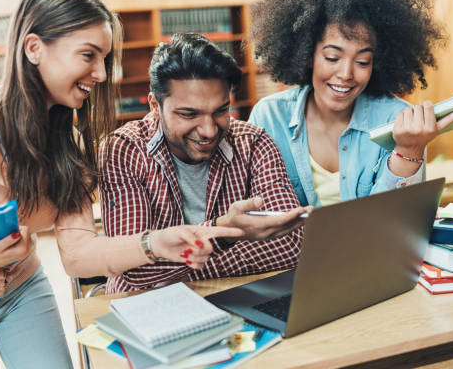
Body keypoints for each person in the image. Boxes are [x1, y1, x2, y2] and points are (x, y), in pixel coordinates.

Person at [0, 0, 242, 369]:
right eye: (89, 56)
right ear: (34, 48)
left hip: (21, 293)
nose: (102, 74)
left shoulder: (67, 139)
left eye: (105, 58)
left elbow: (77, 254)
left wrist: (154, 242)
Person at [99, 33, 312, 294]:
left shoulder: (254, 143)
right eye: (189, 114)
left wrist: (178, 269)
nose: (210, 131)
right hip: (148, 308)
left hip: (237, 298)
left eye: (221, 111)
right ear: (155, 105)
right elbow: (135, 272)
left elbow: (291, 246)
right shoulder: (122, 149)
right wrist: (226, 230)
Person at [248, 0, 453, 207]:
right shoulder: (269, 117)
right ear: (308, 54)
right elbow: (258, 209)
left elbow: (398, 220)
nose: (346, 74)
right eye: (332, 57)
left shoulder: (399, 120)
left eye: (363, 62)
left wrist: (409, 150)